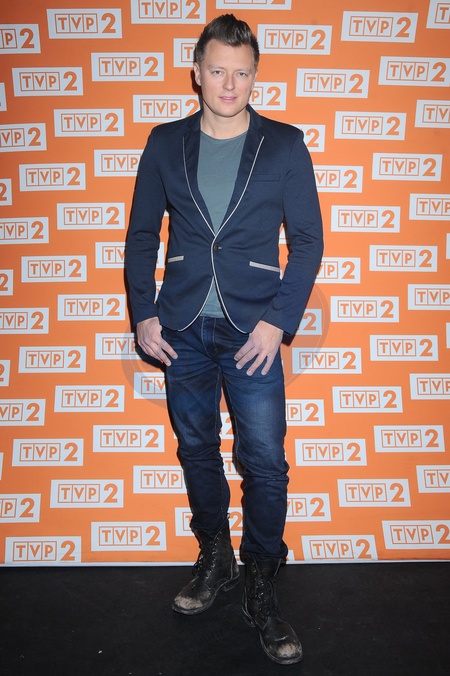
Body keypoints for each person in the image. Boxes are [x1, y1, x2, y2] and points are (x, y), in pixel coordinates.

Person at [125, 14, 323, 666]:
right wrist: (144, 314)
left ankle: (261, 582)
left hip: (253, 332)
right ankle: (216, 558)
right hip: (181, 330)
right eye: (218, 70)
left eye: (241, 72)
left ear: (255, 75)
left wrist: (278, 321)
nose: (229, 84)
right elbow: (141, 236)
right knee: (196, 450)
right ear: (197, 72)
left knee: (265, 462)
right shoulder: (165, 143)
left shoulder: (285, 145)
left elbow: (308, 242)